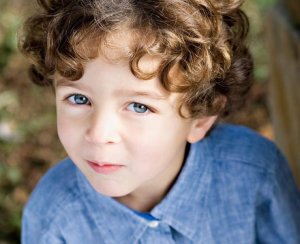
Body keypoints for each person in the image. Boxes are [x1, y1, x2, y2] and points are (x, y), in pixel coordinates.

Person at [19, 0, 300, 243]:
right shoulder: (52, 215)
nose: (99, 134)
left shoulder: (256, 173)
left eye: (139, 106)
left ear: (200, 119)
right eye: (79, 99)